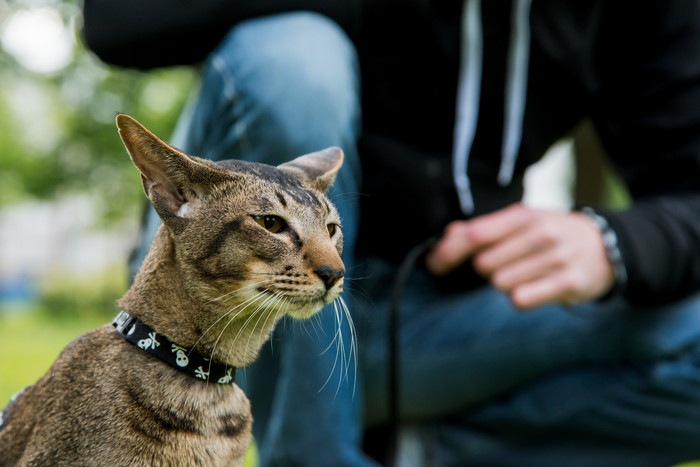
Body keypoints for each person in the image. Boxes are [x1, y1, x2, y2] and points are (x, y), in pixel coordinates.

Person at [83, 1, 700, 465]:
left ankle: (417, 450)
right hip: (224, 306)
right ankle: (316, 453)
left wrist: (617, 241)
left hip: (438, 323)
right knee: (294, 59)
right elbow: (118, 19)